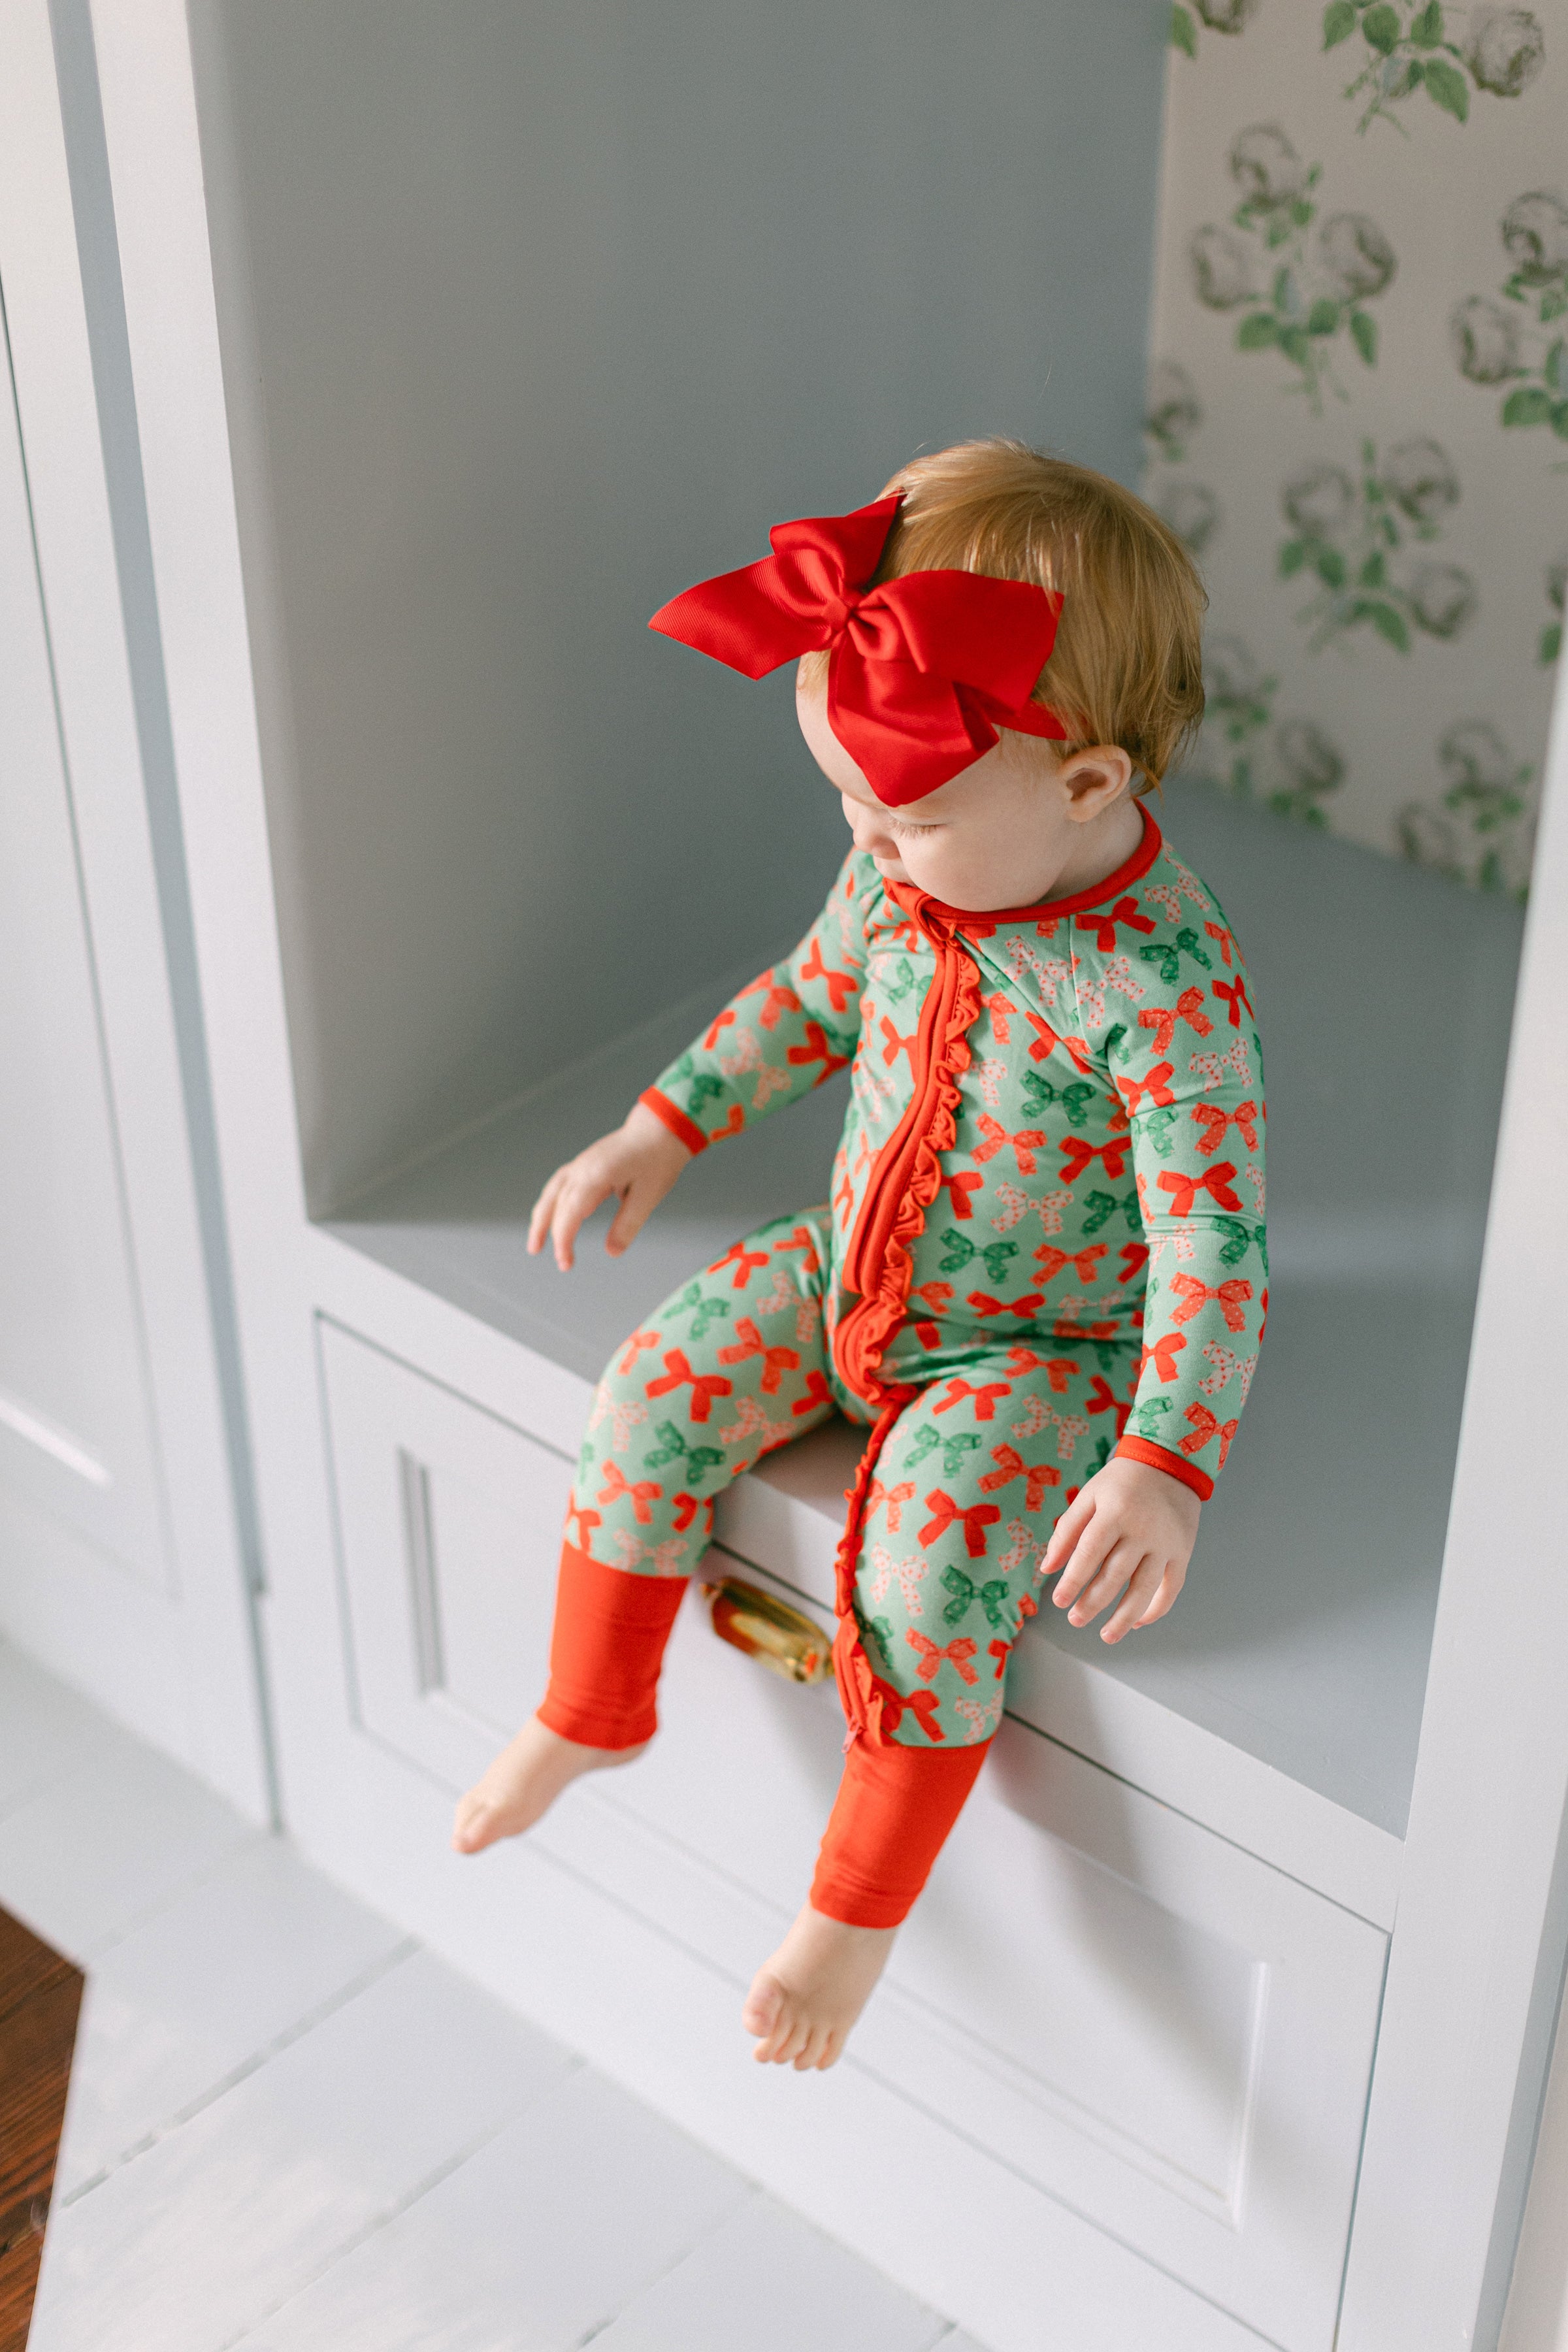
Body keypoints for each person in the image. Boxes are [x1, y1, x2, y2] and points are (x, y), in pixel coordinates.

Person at [452, 438, 1267, 2074]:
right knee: (653, 1390)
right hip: (857, 1265)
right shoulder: (907, 862)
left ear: (1088, 787)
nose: (872, 845)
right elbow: (811, 997)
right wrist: (661, 1128)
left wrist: (1165, 1460)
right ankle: (588, 1707)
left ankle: (857, 1908)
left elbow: (1212, 1236)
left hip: (1035, 1348)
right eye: (851, 806)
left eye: (907, 818)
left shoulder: (1162, 988)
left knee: (923, 1576)